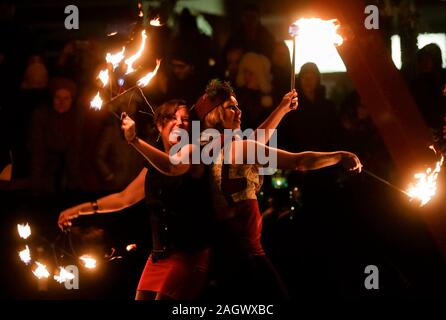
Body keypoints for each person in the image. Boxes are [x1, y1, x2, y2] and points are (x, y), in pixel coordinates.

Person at [193, 79, 362, 300]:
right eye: (231, 107)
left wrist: (282, 108)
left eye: (237, 105)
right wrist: (340, 156)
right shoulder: (237, 147)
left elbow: (256, 139)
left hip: (230, 246)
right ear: (215, 115)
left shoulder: (212, 145)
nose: (238, 110)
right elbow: (298, 162)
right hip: (244, 251)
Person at [58, 100, 214, 300]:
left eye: (184, 119)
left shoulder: (192, 152)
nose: (179, 123)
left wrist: (134, 140)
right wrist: (78, 210)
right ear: (159, 125)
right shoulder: (152, 167)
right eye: (171, 118)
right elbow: (125, 198)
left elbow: (172, 167)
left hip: (188, 254)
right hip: (159, 257)